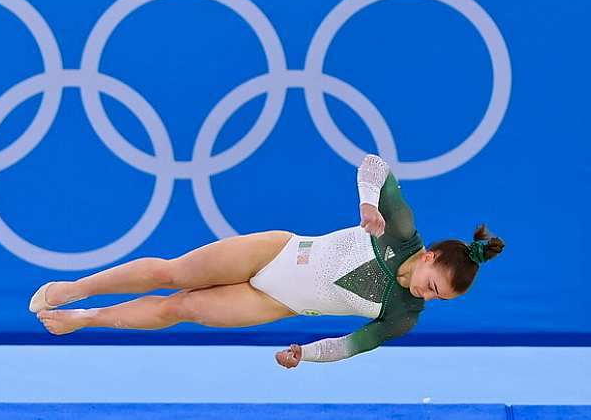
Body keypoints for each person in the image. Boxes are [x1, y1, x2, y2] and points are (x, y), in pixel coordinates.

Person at [30, 154, 505, 367]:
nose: (426, 295)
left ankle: (86, 318)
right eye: (432, 284)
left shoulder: (403, 316)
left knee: (179, 309)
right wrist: (367, 204)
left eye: (436, 298)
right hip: (276, 251)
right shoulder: (401, 229)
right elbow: (374, 165)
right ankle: (78, 287)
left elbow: (351, 345)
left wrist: (307, 354)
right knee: (169, 273)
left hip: (274, 303)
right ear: (431, 256)